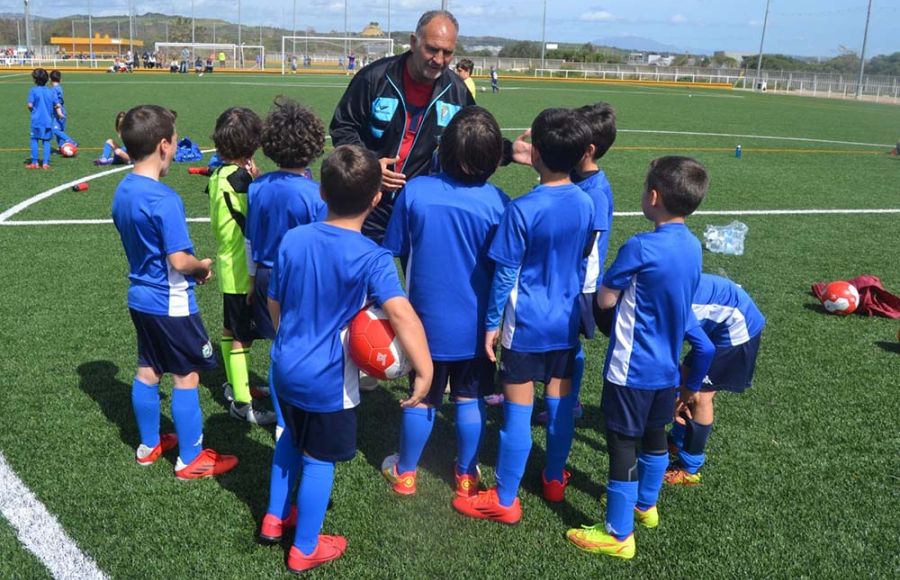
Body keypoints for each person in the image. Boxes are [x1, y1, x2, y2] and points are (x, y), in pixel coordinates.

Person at [261, 144, 433, 573]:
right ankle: (304, 547)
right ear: (377, 199)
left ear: (320, 189)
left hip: (283, 364)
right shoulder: (372, 257)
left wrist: (290, 339)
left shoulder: (294, 239)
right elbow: (400, 313)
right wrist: (425, 369)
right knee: (318, 459)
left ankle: (273, 517)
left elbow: (274, 302)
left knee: (288, 438)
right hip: (326, 379)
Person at [565, 156, 715, 560]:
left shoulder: (641, 246)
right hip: (667, 367)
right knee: (652, 437)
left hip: (631, 369)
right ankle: (646, 507)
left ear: (653, 197)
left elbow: (606, 297)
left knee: (622, 445)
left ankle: (618, 533)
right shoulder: (693, 246)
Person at [452, 108, 594, 525]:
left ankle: (506, 497)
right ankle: (552, 479)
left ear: (535, 155)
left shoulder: (522, 209)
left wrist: (492, 325)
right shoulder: (586, 203)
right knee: (561, 405)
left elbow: (505, 276)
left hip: (526, 325)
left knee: (517, 411)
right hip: (565, 322)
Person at [380, 106, 509, 499]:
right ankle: (466, 474)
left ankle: (405, 473)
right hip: (477, 329)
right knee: (469, 397)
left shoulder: (415, 191)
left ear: (443, 149)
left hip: (423, 324)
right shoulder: (500, 203)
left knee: (421, 396)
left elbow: (392, 250)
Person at [111, 104, 239, 480]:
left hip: (140, 296)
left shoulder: (123, 190)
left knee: (148, 368)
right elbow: (180, 261)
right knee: (187, 375)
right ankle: (191, 458)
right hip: (171, 300)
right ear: (165, 146)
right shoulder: (164, 199)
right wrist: (202, 268)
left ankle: (148, 445)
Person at [534, 102, 617, 424]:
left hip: (579, 282)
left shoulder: (595, 192)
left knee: (569, 342)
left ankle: (571, 400)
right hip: (562, 274)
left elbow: (588, 247)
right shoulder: (575, 177)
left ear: (588, 149)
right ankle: (546, 388)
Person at [207, 107, 276, 426]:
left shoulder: (219, 175)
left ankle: (234, 384)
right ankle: (242, 403)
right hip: (240, 270)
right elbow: (252, 225)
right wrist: (257, 182)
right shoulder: (241, 182)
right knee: (241, 337)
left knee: (229, 329)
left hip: (227, 262)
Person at [665, 273, 765, 485]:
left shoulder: (670, 306)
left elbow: (704, 349)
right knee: (685, 379)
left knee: (700, 395)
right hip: (719, 322)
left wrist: (687, 389)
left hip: (738, 325)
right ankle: (678, 441)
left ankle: (691, 468)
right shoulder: (660, 293)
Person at [26, 68, 62, 169]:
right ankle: (46, 163)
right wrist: (58, 113)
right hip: (48, 121)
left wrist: (33, 110)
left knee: (34, 140)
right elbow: (58, 104)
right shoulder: (51, 92)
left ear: (35, 80)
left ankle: (35, 162)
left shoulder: (33, 90)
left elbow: (29, 105)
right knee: (46, 141)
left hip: (36, 120)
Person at [48, 70, 77, 151]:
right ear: (60, 79)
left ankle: (71, 141)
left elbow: (56, 102)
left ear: (50, 79)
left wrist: (59, 112)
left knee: (55, 130)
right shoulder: (59, 88)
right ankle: (61, 147)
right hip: (62, 110)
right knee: (60, 131)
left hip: (58, 112)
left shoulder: (53, 90)